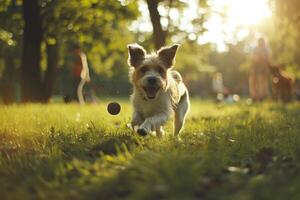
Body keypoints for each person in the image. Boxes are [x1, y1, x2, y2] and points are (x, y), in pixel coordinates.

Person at [249, 38, 270, 102]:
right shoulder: (255, 49)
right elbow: (253, 58)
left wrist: (261, 56)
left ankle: (262, 97)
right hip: (255, 67)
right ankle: (254, 97)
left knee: (262, 82)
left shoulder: (266, 49)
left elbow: (267, 58)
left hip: (262, 67)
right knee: (253, 82)